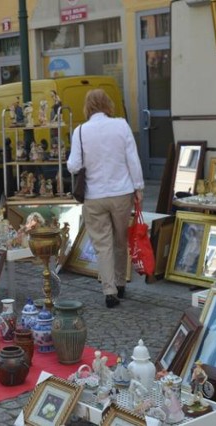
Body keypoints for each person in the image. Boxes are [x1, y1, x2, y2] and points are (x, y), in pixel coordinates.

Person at [67, 89, 144, 308]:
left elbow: (73, 165)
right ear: (107, 104)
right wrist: (138, 187)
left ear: (87, 107)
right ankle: (120, 283)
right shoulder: (121, 125)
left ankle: (109, 291)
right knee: (121, 241)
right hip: (121, 193)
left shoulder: (80, 131)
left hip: (94, 196)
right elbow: (133, 159)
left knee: (103, 245)